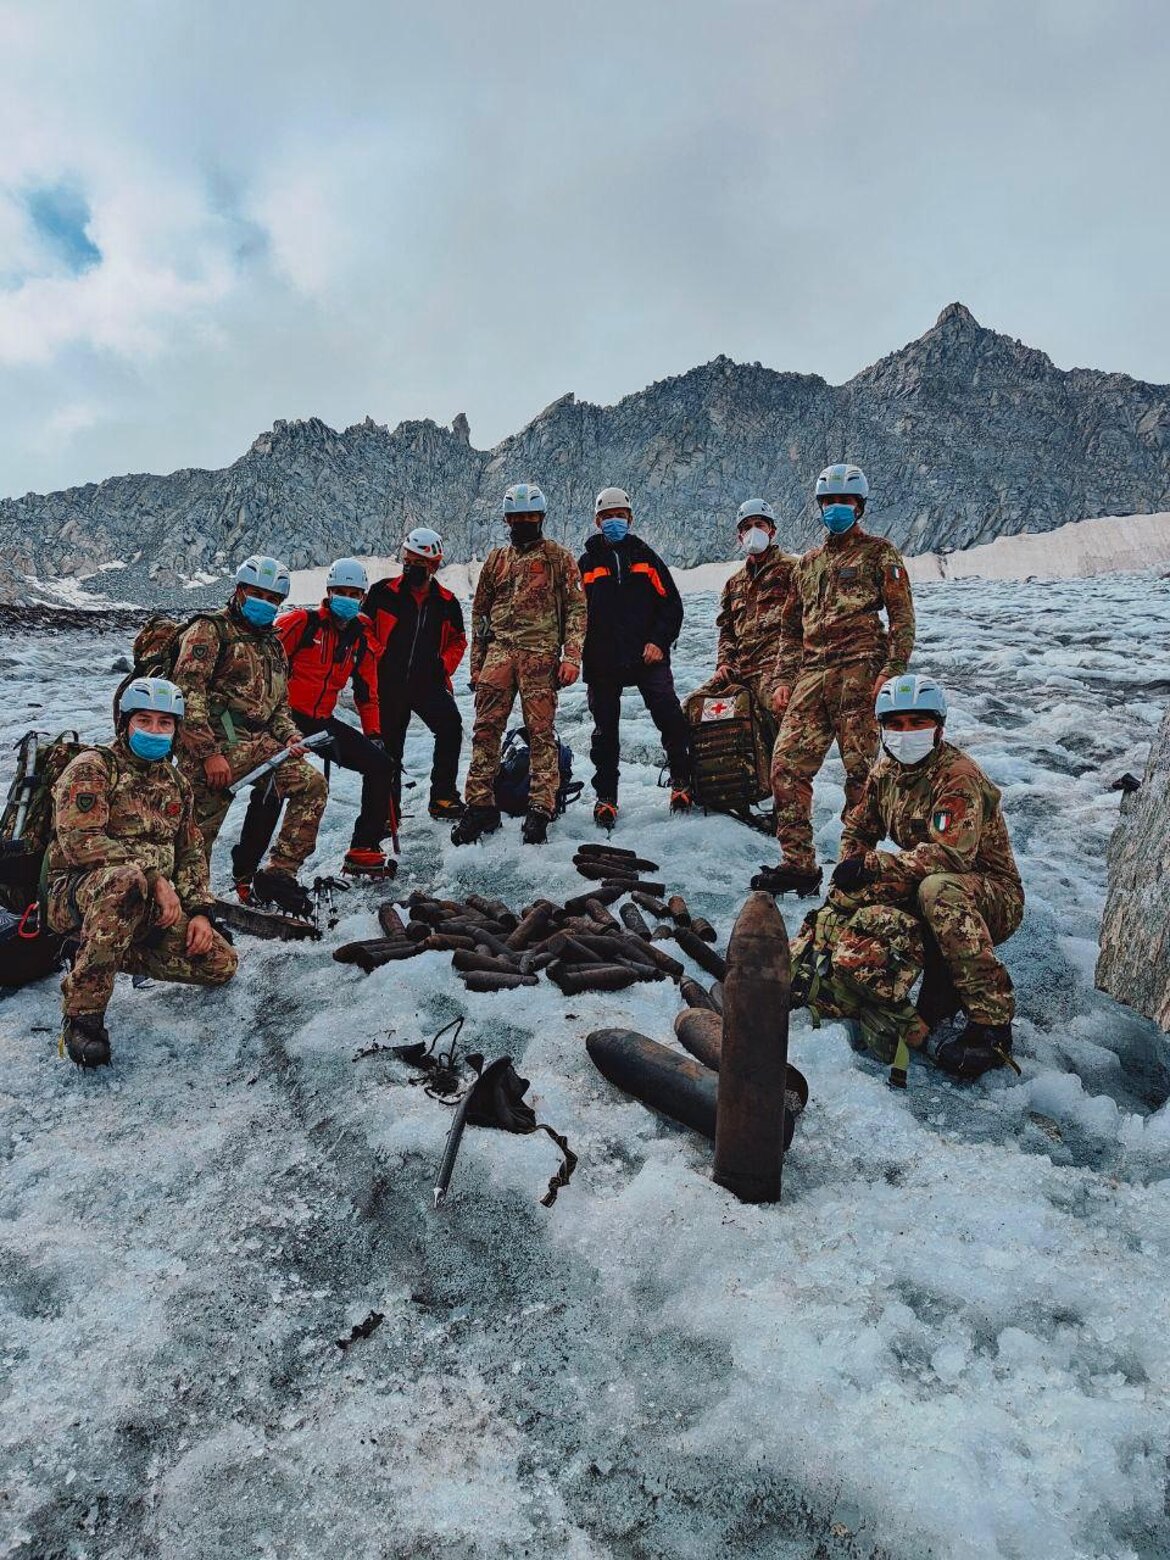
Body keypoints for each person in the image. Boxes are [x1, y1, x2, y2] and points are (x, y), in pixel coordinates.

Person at [792, 674, 1024, 1082]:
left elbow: (950, 854)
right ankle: (852, 980)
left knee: (938, 889)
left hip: (986, 894)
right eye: (895, 725)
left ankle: (992, 1022)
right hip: (928, 883)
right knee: (856, 894)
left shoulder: (958, 776)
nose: (906, 733)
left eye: (917, 723)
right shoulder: (886, 772)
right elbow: (859, 828)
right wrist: (852, 869)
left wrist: (874, 866)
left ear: (938, 726)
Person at [45, 677, 238, 1069]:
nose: (154, 731)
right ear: (125, 723)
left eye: (165, 723)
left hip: (150, 906)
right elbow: (80, 842)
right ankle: (84, 1012)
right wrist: (153, 878)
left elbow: (190, 851)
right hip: (81, 895)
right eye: (144, 721)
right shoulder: (94, 769)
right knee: (126, 882)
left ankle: (97, 951)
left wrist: (200, 910)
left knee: (219, 963)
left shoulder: (175, 782)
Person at [754, 463, 915, 897]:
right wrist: (784, 678)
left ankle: (853, 866)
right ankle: (799, 864)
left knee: (861, 774)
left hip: (860, 671)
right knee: (786, 766)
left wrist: (892, 669)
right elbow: (790, 628)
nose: (836, 509)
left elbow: (901, 618)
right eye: (829, 502)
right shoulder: (808, 564)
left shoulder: (880, 554)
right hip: (812, 674)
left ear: (859, 507)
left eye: (844, 502)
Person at [172, 555, 327, 915]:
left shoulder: (272, 644)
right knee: (196, 834)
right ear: (240, 591)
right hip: (212, 749)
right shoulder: (210, 631)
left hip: (259, 747)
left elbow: (279, 705)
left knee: (311, 785)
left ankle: (279, 874)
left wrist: (289, 736)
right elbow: (187, 693)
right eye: (258, 594)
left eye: (274, 599)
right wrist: (208, 753)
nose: (265, 604)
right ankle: (187, 909)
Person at [231, 557, 396, 885]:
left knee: (380, 765)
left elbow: (367, 691)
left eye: (353, 593)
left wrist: (374, 732)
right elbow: (266, 666)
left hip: (320, 721)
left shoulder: (361, 638)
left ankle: (364, 846)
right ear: (329, 591)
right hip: (282, 717)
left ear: (362, 597)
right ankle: (246, 872)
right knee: (272, 788)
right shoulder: (302, 623)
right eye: (340, 591)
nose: (346, 598)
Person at [453, 482, 586, 846]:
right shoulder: (496, 560)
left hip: (541, 656)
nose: (523, 523)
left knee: (541, 734)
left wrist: (571, 656)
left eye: (530, 517)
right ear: (507, 520)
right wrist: (477, 664)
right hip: (498, 655)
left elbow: (577, 608)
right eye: (517, 517)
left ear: (541, 517)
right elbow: (480, 614)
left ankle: (541, 808)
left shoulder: (558, 557)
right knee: (485, 732)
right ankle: (480, 804)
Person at [579, 486, 692, 829]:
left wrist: (659, 641)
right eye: (608, 517)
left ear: (630, 518)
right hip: (603, 660)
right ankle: (607, 798)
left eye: (620, 516)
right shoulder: (585, 564)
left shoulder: (646, 557)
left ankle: (682, 783)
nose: (614, 522)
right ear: (597, 521)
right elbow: (573, 614)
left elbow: (671, 604)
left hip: (647, 655)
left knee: (669, 715)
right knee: (605, 731)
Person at [363, 528, 467, 823]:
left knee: (450, 727)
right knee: (389, 747)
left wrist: (444, 664)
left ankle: (443, 797)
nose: (411, 567)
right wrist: (378, 651)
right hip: (389, 684)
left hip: (427, 684)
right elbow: (364, 627)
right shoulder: (382, 593)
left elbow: (459, 640)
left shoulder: (446, 602)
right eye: (407, 560)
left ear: (434, 565)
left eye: (419, 562)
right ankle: (386, 809)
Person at [691, 496, 796, 750]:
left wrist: (790, 672)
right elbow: (727, 630)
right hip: (741, 670)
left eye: (759, 524)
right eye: (746, 527)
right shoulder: (734, 583)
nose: (753, 532)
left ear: (772, 530)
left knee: (780, 718)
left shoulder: (794, 570)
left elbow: (807, 623)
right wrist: (724, 663)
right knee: (695, 707)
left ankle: (778, 777)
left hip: (777, 667)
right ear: (739, 537)